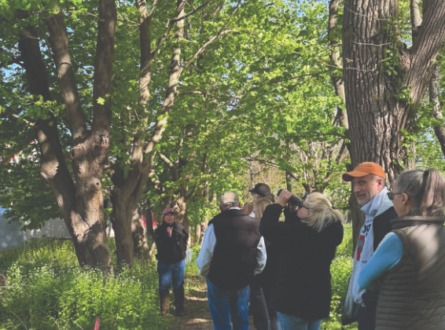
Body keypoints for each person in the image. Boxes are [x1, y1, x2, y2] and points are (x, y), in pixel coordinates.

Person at [358, 169, 445, 330]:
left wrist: (385, 284)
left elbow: (363, 280)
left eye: (392, 196)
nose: (391, 201)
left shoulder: (399, 238)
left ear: (403, 198)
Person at [260, 190, 344, 330]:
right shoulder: (330, 231)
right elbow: (298, 232)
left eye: (303, 206)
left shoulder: (300, 233)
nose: (299, 207)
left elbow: (267, 228)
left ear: (311, 213)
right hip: (317, 301)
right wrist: (293, 212)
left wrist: (278, 205)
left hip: (293, 301)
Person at [196, 191, 267, 330]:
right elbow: (262, 258)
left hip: (218, 281)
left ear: (221, 207)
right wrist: (252, 273)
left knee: (221, 323)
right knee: (241, 321)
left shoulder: (214, 225)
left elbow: (206, 256)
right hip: (243, 281)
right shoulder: (256, 225)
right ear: (239, 205)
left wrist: (205, 274)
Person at [341, 162, 398, 329]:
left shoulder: (391, 214)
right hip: (367, 307)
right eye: (354, 184)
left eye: (362, 182)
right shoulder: (370, 213)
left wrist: (372, 298)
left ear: (379, 183)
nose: (356, 189)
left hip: (381, 309)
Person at [154, 207, 189, 317]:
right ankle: (164, 309)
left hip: (179, 262)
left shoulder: (179, 227)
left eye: (171, 215)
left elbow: (185, 239)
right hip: (164, 262)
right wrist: (168, 236)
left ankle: (179, 309)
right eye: (167, 215)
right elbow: (159, 244)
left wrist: (183, 250)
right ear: (163, 217)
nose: (170, 217)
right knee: (164, 286)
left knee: (178, 286)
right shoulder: (159, 230)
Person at [249, 197, 276, 330]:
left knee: (263, 313)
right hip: (277, 276)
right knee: (273, 314)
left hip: (261, 277)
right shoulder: (280, 229)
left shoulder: (256, 231)